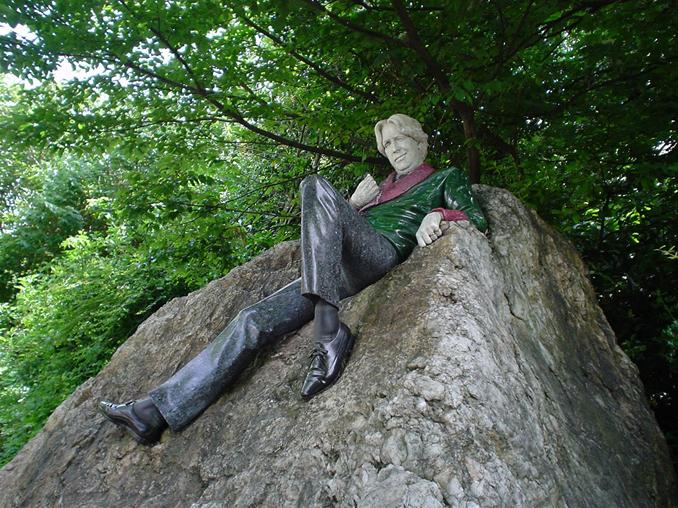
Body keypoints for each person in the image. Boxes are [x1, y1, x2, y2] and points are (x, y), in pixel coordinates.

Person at [99, 113, 487, 445]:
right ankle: (153, 412)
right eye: (387, 144)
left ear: (419, 141)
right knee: (252, 320)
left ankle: (328, 329)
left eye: (400, 139)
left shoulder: (444, 177)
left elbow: (477, 217)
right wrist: (352, 205)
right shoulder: (380, 189)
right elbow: (332, 229)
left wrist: (437, 214)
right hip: (335, 271)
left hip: (379, 254)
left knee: (315, 184)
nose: (394, 148)